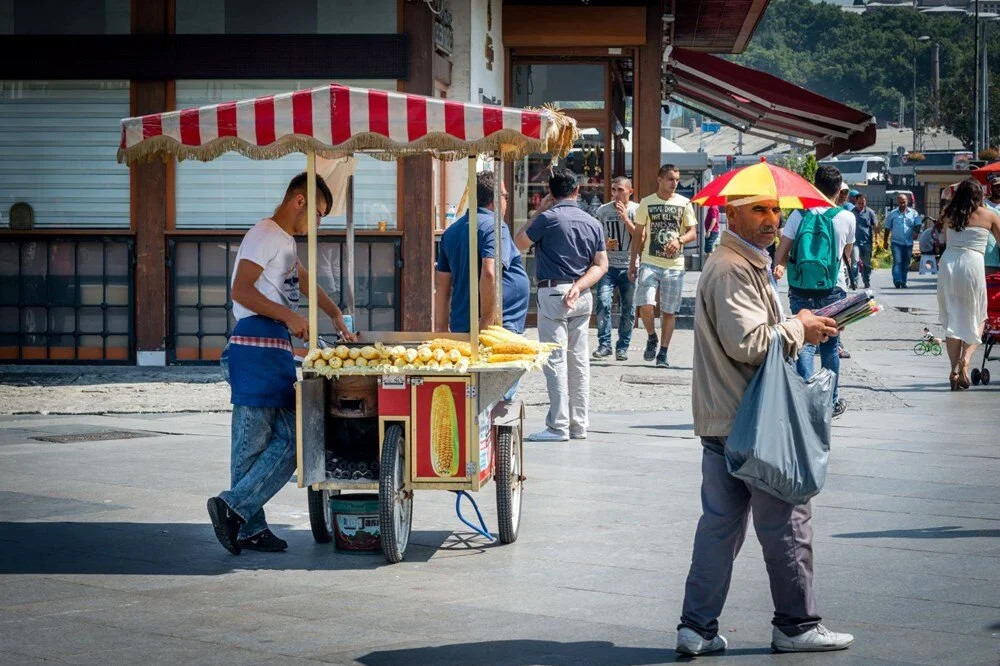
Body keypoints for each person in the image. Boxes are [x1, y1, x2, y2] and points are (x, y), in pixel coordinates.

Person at [676, 194, 853, 657]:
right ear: (730, 214)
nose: (771, 220)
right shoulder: (733, 268)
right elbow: (749, 342)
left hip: (728, 418)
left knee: (719, 528)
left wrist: (798, 322)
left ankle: (696, 629)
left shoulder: (742, 263)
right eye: (758, 210)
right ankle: (797, 626)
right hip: (752, 421)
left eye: (775, 211)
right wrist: (800, 327)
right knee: (789, 522)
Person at [208, 172, 356, 554]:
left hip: (273, 349)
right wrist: (289, 317)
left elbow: (305, 283)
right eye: (320, 214)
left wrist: (337, 316)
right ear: (299, 201)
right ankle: (243, 520)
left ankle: (239, 515)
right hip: (254, 346)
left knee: (294, 438)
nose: (319, 223)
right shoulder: (264, 233)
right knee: (251, 445)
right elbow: (240, 290)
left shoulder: (285, 242)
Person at [515, 168, 607, 442]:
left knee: (555, 360)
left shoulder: (547, 218)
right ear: (577, 191)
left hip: (553, 291)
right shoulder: (593, 222)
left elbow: (517, 244)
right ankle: (579, 424)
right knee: (579, 361)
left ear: (551, 194)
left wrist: (536, 213)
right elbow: (601, 265)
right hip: (582, 294)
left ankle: (558, 425)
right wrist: (579, 286)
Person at [774, 165, 855, 418]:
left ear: (813, 185)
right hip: (833, 287)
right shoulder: (846, 217)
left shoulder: (799, 215)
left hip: (800, 287)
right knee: (830, 347)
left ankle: (805, 400)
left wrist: (778, 269)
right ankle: (831, 401)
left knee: (805, 343)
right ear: (838, 188)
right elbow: (847, 254)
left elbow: (782, 252)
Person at [434, 170, 530, 337]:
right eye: (506, 197)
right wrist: (486, 323)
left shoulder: (451, 232)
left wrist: (441, 328)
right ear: (496, 200)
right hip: (495, 328)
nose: (506, 202)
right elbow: (489, 273)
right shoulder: (495, 226)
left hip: (463, 322)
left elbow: (442, 285)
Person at [629, 164, 698, 367]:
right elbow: (639, 234)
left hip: (674, 265)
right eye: (670, 179)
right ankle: (651, 336)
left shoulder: (684, 203)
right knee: (646, 305)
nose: (674, 183)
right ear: (659, 180)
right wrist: (633, 261)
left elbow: (692, 231)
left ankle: (663, 352)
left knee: (669, 311)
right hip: (650, 261)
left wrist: (680, 240)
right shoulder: (646, 202)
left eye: (676, 179)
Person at [937, 178, 1000, 390]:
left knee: (953, 316)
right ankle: (966, 359)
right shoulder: (989, 215)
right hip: (973, 263)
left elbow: (944, 237)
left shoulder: (949, 213)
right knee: (978, 315)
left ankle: (954, 369)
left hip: (949, 263)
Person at [592, 176, 639, 361]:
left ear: (630, 191)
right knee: (603, 302)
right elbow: (596, 240)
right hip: (608, 266)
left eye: (620, 190)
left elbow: (640, 237)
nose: (616, 194)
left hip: (630, 265)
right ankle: (604, 345)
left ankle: (623, 347)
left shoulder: (637, 209)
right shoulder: (602, 211)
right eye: (613, 190)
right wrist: (605, 245)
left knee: (629, 308)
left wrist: (625, 218)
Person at [883, 193, 921, 288]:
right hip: (896, 242)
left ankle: (903, 281)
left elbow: (918, 224)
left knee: (906, 263)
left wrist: (916, 232)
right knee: (898, 261)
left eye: (904, 202)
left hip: (908, 243)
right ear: (897, 203)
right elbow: (887, 228)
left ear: (907, 202)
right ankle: (897, 280)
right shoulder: (892, 214)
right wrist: (885, 241)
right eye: (900, 202)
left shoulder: (914, 213)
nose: (902, 204)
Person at [851, 193, 877, 289]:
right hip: (855, 242)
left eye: (863, 203)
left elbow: (875, 226)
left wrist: (877, 236)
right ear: (856, 202)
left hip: (867, 242)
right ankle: (854, 282)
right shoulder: (852, 213)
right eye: (859, 203)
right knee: (855, 262)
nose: (861, 205)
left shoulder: (870, 212)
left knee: (866, 264)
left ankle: (866, 280)